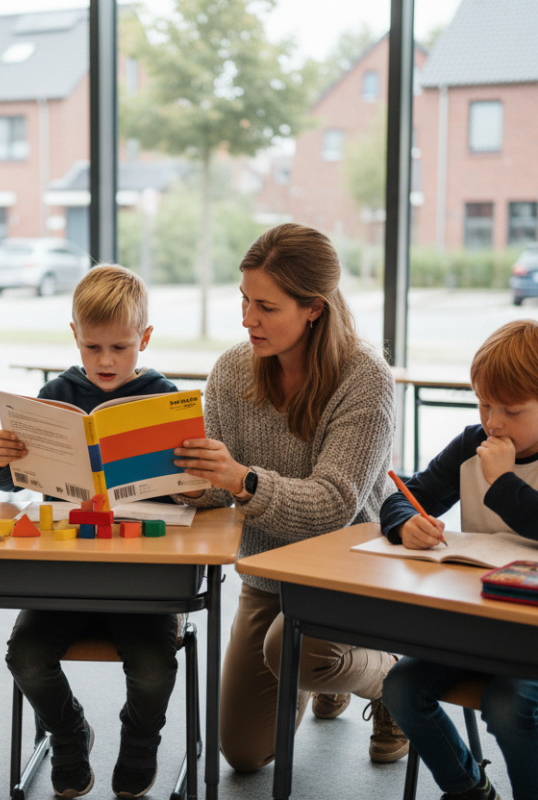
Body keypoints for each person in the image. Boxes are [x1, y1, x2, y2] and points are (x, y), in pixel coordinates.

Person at [170, 222, 404, 770]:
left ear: (314, 308)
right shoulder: (231, 371)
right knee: (245, 754)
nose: (248, 319)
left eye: (266, 307)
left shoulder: (365, 380)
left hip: (343, 574)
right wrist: (181, 478)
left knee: (297, 651)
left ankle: (393, 678)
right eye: (245, 301)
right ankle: (322, 670)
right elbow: (215, 491)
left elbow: (332, 503)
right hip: (268, 577)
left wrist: (241, 481)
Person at [379, 319, 538, 800]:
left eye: (511, 410)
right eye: (483, 404)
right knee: (400, 688)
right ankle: (468, 789)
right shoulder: (471, 444)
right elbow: (404, 494)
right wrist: (405, 523)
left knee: (507, 705)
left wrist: (503, 483)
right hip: (478, 625)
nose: (493, 422)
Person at [0, 264, 180, 799]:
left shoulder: (164, 397)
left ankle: (140, 744)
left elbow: (191, 488)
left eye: (120, 347)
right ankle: (69, 735)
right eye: (93, 347)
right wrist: (1, 459)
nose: (106, 361)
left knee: (153, 668)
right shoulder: (56, 392)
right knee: (24, 655)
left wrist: (190, 478)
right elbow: (12, 478)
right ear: (75, 335)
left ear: (144, 338)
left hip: (144, 576)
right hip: (65, 572)